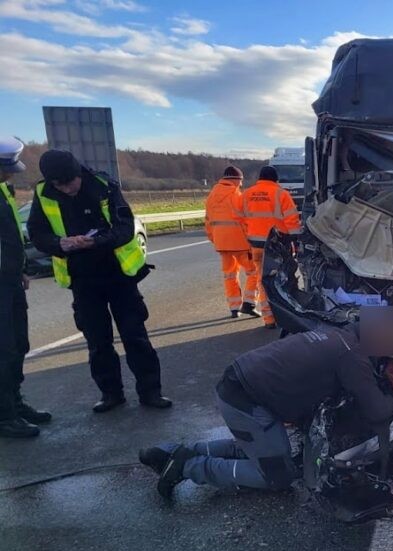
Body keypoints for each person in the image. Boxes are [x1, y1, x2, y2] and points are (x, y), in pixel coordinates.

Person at [141, 322, 393, 499]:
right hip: (247, 402)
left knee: (258, 448)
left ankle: (171, 451)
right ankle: (188, 467)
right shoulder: (353, 357)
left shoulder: (335, 334)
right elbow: (378, 412)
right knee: (278, 476)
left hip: (236, 386)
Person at [28, 149, 171, 413]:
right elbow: (36, 233)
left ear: (79, 174)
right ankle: (110, 394)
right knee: (97, 342)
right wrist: (60, 243)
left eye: (70, 182)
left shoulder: (103, 185)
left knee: (135, 336)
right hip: (82, 280)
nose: (67, 189)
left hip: (118, 275)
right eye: (59, 185)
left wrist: (97, 241)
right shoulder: (44, 193)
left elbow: (125, 226)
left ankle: (151, 392)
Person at [0, 136, 50, 439]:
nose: (10, 175)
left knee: (18, 344)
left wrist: (18, 271)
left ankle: (15, 403)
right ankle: (4, 415)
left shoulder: (3, 190)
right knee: (3, 349)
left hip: (9, 281)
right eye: (5, 169)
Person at [240, 165, 301, 330]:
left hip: (256, 246)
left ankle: (269, 319)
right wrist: (295, 240)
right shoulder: (281, 194)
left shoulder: (246, 194)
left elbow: (240, 220)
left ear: (260, 178)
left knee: (263, 281)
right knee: (283, 279)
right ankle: (286, 316)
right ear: (276, 179)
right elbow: (292, 221)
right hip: (277, 246)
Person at [204, 166, 261, 319]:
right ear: (235, 180)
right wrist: (251, 242)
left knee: (229, 275)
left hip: (222, 244)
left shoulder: (211, 197)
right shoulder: (237, 196)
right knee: (254, 272)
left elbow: (208, 222)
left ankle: (234, 308)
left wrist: (215, 240)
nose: (241, 185)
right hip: (241, 244)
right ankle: (249, 303)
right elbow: (245, 222)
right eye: (240, 181)